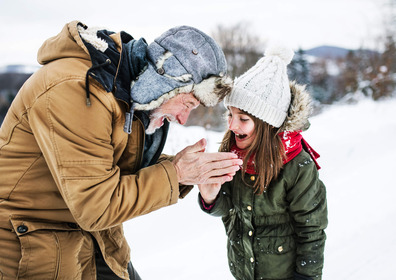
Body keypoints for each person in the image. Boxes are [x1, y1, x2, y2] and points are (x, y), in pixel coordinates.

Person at [0, 21, 243, 279]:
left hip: (87, 233)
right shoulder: (78, 89)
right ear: (166, 82)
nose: (183, 119)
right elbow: (96, 205)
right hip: (31, 240)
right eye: (188, 103)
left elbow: (116, 164)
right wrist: (178, 174)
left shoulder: (125, 90)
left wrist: (193, 171)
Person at [198, 46, 328, 280]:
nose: (232, 125)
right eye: (230, 114)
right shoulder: (232, 151)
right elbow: (230, 211)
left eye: (243, 119)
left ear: (268, 123)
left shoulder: (297, 165)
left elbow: (312, 230)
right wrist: (212, 198)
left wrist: (306, 277)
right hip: (244, 272)